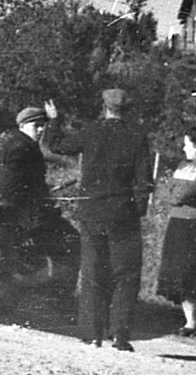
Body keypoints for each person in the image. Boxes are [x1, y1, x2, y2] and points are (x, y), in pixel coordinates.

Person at [44, 87, 150, 351]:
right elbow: (144, 179)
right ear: (128, 110)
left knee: (92, 271)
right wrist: (138, 208)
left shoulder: (91, 131)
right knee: (125, 274)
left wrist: (55, 120)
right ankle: (120, 334)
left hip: (91, 211)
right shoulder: (137, 136)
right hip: (122, 213)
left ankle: (92, 332)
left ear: (104, 107)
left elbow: (56, 145)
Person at [0, 104, 66, 302]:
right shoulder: (22, 148)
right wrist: (34, 203)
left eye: (43, 126)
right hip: (15, 211)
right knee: (68, 242)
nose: (40, 130)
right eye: (36, 126)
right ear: (22, 126)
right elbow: (11, 183)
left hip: (8, 210)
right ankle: (55, 299)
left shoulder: (16, 144)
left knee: (0, 254)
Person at [157, 126, 196, 335]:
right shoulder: (182, 165)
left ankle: (193, 321)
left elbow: (186, 193)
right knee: (176, 269)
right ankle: (188, 319)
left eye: (186, 144)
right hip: (177, 223)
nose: (183, 148)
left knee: (191, 270)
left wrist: (176, 195)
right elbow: (167, 192)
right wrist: (175, 195)